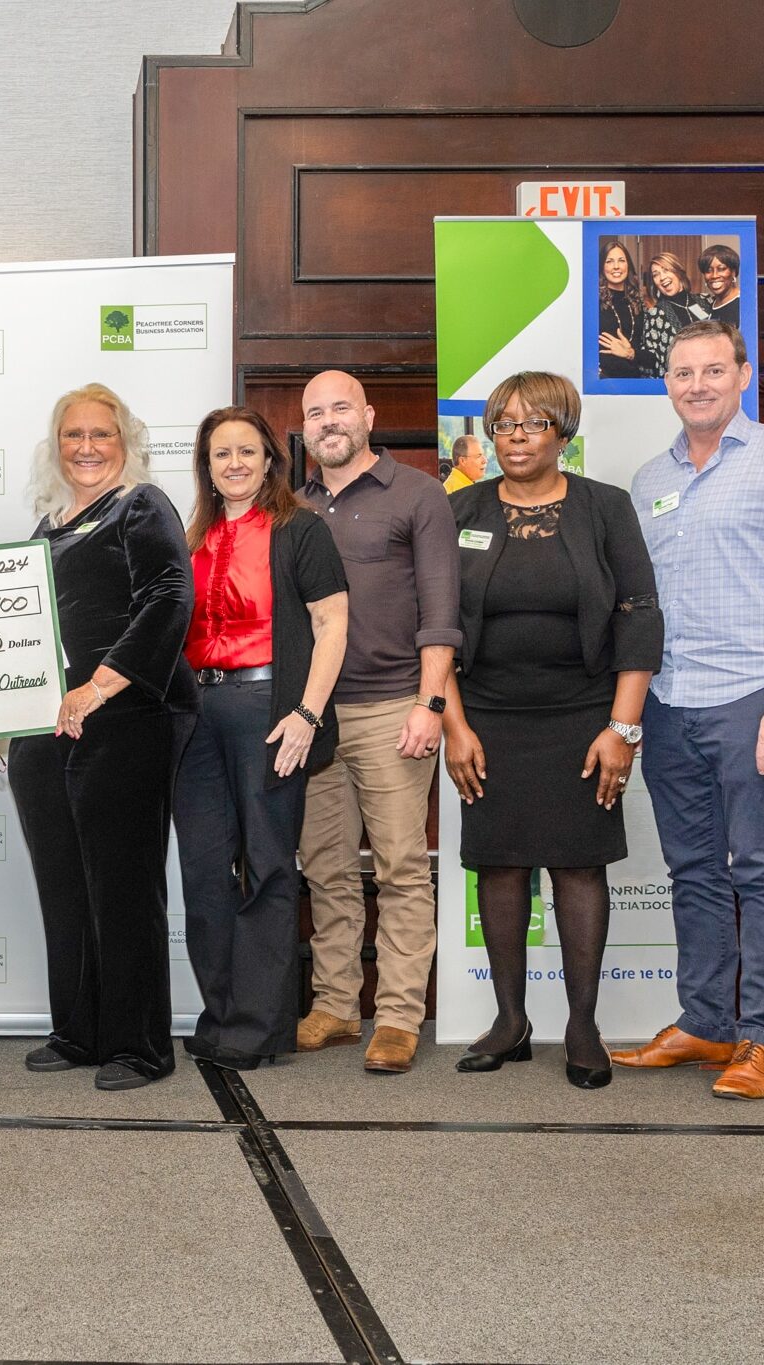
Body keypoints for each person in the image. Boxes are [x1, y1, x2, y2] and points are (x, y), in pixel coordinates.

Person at [615, 321, 764, 1099]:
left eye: (713, 369)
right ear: (665, 383)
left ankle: (762, 1038)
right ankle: (706, 1019)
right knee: (694, 872)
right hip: (672, 702)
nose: (697, 383)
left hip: (755, 698)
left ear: (741, 375)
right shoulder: (649, 478)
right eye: (681, 371)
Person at [441, 372, 662, 1089]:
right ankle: (510, 1021)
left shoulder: (604, 507)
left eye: (531, 424)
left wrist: (620, 728)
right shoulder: (461, 509)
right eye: (502, 425)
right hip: (488, 717)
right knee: (498, 864)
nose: (514, 437)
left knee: (576, 864)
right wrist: (454, 726)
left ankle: (582, 1024)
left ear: (562, 433)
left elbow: (638, 612)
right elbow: (437, 626)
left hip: (582, 717)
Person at [8, 383, 196, 1091]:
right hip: (47, 731)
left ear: (125, 443)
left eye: (101, 434)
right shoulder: (48, 522)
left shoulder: (141, 506)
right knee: (63, 885)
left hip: (122, 721)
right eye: (72, 435)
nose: (85, 447)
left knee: (122, 886)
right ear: (55, 445)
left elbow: (168, 598)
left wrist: (99, 684)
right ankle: (79, 1029)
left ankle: (139, 1044)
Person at [294, 370, 461, 1074]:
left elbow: (441, 609)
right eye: (314, 413)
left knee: (398, 868)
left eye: (339, 408)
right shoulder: (291, 505)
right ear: (302, 429)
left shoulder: (418, 493)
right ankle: (335, 1005)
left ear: (366, 414)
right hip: (313, 718)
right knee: (325, 868)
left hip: (394, 705)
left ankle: (396, 1014)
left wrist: (431, 703)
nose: (328, 421)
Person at [172, 406, 347, 1070]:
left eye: (247, 450)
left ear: (270, 460)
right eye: (221, 453)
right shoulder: (192, 537)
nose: (234, 463)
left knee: (269, 866)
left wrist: (306, 714)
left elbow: (332, 624)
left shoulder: (300, 530)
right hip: (194, 712)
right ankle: (220, 1015)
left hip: (268, 709)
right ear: (206, 466)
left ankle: (261, 1024)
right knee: (203, 871)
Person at [640, 253, 709, 377]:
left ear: (678, 272)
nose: (662, 277)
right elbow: (654, 363)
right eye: (656, 274)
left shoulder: (706, 300)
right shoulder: (656, 315)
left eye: (666, 270)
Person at [596, 241, 651, 380]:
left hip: (634, 379)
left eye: (621, 260)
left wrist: (630, 353)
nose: (616, 266)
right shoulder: (593, 301)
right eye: (609, 261)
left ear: (628, 265)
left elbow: (651, 355)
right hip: (604, 381)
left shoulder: (638, 302)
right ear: (602, 267)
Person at [699, 244, 743, 327]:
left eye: (721, 269)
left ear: (734, 272)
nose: (714, 275)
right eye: (708, 271)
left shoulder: (744, 304)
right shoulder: (709, 305)